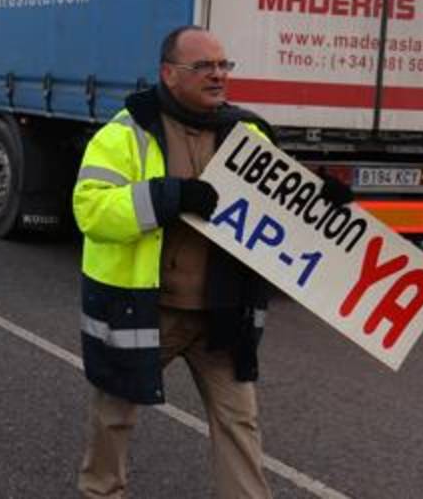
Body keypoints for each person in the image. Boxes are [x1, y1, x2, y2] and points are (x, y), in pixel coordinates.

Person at [72, 26, 352, 497]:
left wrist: (320, 201)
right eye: (204, 66)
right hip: (146, 310)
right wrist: (169, 195)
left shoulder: (248, 132)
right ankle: (101, 492)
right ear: (169, 73)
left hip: (224, 313)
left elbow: (279, 205)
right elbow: (92, 210)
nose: (219, 75)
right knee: (114, 414)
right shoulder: (126, 132)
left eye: (224, 65)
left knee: (240, 422)